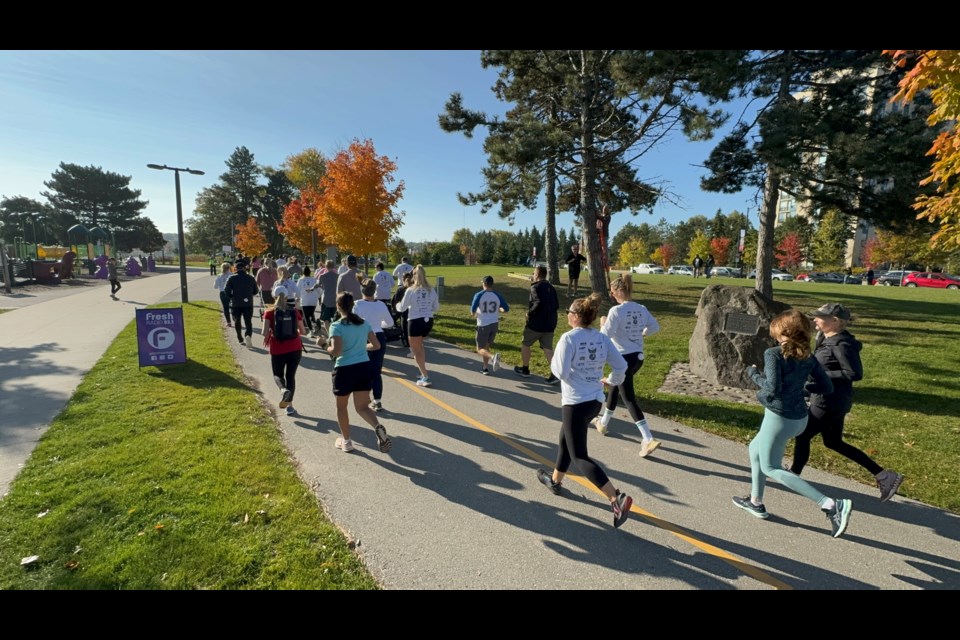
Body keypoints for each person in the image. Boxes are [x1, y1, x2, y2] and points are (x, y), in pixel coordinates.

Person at [733, 309, 854, 539]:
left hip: (779, 418)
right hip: (800, 417)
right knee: (754, 449)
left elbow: (772, 389)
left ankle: (829, 504)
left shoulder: (773, 354)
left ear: (783, 333)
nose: (774, 337)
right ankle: (755, 501)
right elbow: (826, 387)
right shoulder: (808, 356)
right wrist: (800, 389)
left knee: (772, 467)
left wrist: (753, 374)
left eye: (776, 332)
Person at [536, 293, 635, 528]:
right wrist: (611, 379)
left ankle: (616, 497)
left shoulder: (568, 339)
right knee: (566, 440)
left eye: (569, 312)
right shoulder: (601, 339)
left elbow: (558, 372)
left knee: (579, 455)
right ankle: (555, 481)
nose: (567, 315)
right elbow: (621, 365)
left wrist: (569, 370)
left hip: (575, 403)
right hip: (594, 402)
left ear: (576, 317)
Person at [789, 303, 904, 502]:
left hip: (829, 401)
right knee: (833, 442)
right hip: (831, 399)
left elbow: (854, 373)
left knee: (803, 434)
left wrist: (821, 374)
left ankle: (792, 477)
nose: (815, 319)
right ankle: (884, 475)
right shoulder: (826, 338)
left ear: (835, 321)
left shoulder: (842, 344)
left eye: (820, 317)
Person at [594, 273, 662, 457]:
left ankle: (648, 439)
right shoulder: (641, 308)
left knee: (628, 398)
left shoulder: (616, 312)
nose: (611, 294)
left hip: (622, 359)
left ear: (616, 291)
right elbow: (655, 327)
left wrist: (603, 323)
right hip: (637, 358)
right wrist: (642, 334)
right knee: (615, 389)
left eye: (611, 291)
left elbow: (605, 336)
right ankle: (604, 423)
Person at [327, 292, 393, 454]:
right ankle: (377, 427)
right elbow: (376, 345)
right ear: (352, 306)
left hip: (344, 369)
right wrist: (361, 347)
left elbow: (336, 351)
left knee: (342, 407)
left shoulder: (336, 326)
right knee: (363, 407)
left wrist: (323, 344)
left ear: (338, 306)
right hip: (364, 367)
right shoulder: (364, 323)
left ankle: (347, 441)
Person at [262, 285, 306, 416]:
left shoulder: (269, 312)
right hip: (295, 347)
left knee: (278, 375)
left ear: (274, 296)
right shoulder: (294, 311)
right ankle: (289, 406)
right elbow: (303, 331)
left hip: (278, 348)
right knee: (290, 376)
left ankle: (282, 390)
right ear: (287, 296)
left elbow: (264, 333)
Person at [514, 265, 560, 385]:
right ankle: (554, 374)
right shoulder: (551, 288)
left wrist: (529, 313)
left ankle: (525, 369)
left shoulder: (535, 287)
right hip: (550, 323)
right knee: (548, 348)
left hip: (536, 324)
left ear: (538, 274)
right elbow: (556, 306)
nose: (533, 274)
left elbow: (537, 302)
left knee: (525, 344)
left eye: (534, 273)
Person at [396, 264, 440, 387]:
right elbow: (436, 307)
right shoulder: (431, 289)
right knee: (420, 347)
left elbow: (402, 307)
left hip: (415, 321)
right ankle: (422, 372)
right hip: (428, 321)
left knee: (415, 351)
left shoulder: (411, 290)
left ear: (414, 276)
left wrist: (397, 305)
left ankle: (425, 377)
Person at [356, 279, 395, 413]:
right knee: (376, 371)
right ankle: (377, 400)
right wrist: (379, 325)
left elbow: (354, 323)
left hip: (364, 337)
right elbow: (389, 323)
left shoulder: (357, 305)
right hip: (379, 336)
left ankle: (364, 397)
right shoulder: (381, 305)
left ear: (362, 290)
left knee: (362, 369)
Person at [470, 275, 509, 375]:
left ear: (484, 283)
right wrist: (499, 309)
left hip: (483, 324)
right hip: (494, 324)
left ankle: (492, 357)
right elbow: (506, 309)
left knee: (479, 349)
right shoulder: (498, 295)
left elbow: (473, 310)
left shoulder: (479, 295)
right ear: (492, 284)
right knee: (486, 346)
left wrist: (474, 314)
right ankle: (485, 368)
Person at [225, 259, 258, 348]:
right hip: (248, 303)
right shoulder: (251, 278)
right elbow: (256, 291)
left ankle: (240, 338)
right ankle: (248, 335)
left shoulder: (232, 278)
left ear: (235, 268)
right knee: (248, 322)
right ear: (244, 268)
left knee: (237, 321)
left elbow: (226, 290)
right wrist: (249, 294)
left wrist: (231, 296)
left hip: (236, 303)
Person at [315, 259, 340, 341]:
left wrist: (311, 288)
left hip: (326, 300)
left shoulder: (322, 276)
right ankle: (335, 334)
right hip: (335, 300)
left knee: (326, 319)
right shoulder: (338, 276)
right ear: (333, 266)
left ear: (325, 266)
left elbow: (318, 285)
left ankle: (330, 335)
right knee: (335, 319)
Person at [297, 266, 319, 336]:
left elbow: (297, 290)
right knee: (311, 314)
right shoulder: (314, 279)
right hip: (313, 300)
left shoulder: (300, 280)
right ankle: (315, 324)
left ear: (303, 272)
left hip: (305, 301)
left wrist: (297, 297)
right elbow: (319, 289)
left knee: (306, 316)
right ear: (310, 272)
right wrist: (317, 296)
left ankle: (311, 331)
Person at [214, 262, 234, 327]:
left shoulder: (219, 276)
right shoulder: (232, 275)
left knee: (226, 308)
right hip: (231, 293)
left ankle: (228, 322)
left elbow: (215, 286)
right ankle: (235, 317)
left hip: (222, 293)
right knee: (233, 306)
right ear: (229, 268)